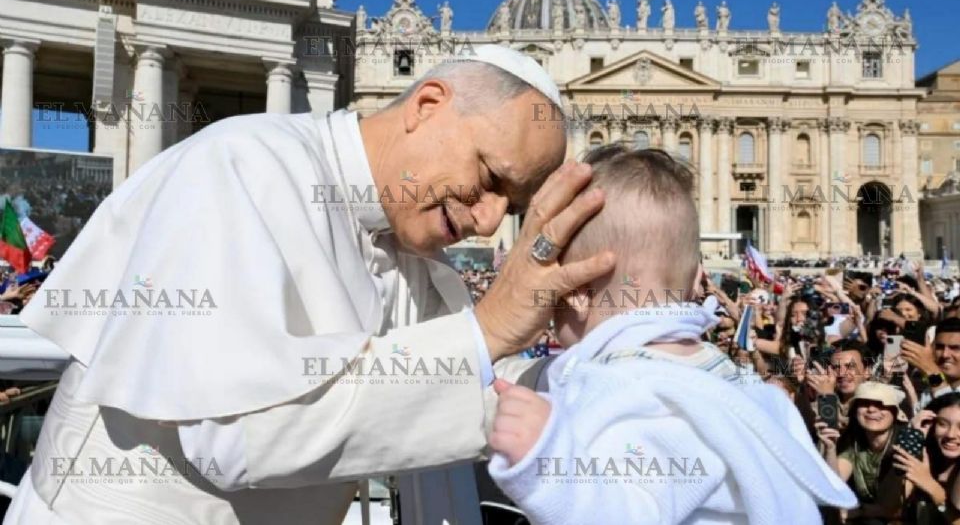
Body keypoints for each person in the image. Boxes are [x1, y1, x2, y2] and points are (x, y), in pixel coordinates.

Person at [4, 46, 617, 524]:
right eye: (489, 177)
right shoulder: (243, 164)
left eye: (511, 207)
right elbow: (234, 432)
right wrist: (484, 331)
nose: (487, 219)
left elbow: (481, 388)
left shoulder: (415, 258)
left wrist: (617, 378)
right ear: (428, 103)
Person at [485, 144, 855, 524]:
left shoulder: (636, 393)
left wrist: (543, 462)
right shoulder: (731, 384)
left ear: (576, 292)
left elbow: (625, 513)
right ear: (698, 279)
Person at [816, 381, 907, 522]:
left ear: (895, 412)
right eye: (864, 403)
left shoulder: (905, 443)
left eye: (881, 404)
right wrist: (830, 447)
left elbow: (894, 506)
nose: (871, 409)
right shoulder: (854, 441)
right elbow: (835, 483)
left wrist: (855, 511)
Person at [895, 393, 960, 524]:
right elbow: (895, 509)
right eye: (943, 424)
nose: (951, 434)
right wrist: (915, 439)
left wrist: (931, 486)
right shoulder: (927, 460)